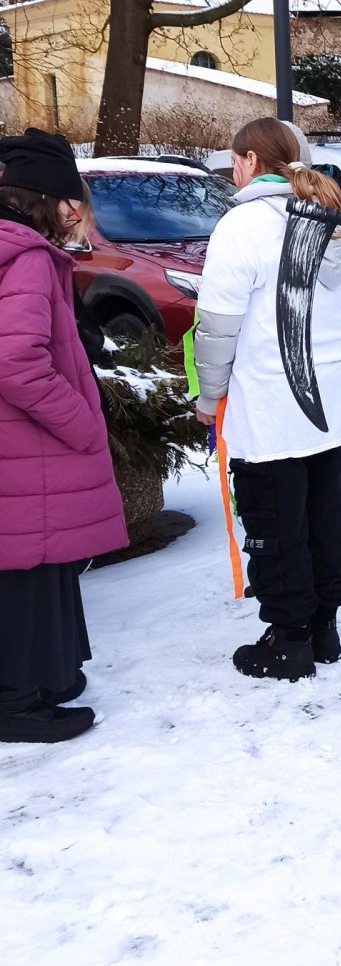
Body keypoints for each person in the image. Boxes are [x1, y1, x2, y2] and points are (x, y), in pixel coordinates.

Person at [193, 118, 341, 680]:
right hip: (329, 401)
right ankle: (324, 629)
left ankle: (289, 641)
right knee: (323, 516)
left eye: (235, 162)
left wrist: (210, 395)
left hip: (269, 402)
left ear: (249, 161)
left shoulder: (242, 225)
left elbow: (218, 326)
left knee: (276, 520)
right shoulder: (335, 220)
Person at [0, 129, 127, 742]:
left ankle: (49, 677)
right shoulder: (25, 256)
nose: (77, 211)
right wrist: (81, 420)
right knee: (26, 572)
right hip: (27, 447)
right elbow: (17, 362)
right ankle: (16, 704)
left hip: (19, 448)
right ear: (49, 199)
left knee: (36, 567)